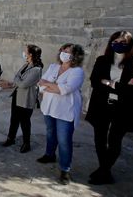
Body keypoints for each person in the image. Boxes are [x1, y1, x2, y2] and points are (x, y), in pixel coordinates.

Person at [86, 31, 133, 185]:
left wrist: (108, 82)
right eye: (115, 41)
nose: (118, 44)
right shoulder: (102, 60)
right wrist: (121, 86)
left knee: (114, 140)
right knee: (99, 139)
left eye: (122, 42)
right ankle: (105, 171)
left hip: (123, 108)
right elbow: (94, 81)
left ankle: (103, 171)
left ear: (130, 45)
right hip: (101, 105)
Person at [36, 43, 85, 185]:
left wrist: (50, 85)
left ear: (75, 55)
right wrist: (55, 87)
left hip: (65, 110)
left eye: (67, 51)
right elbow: (40, 84)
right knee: (50, 132)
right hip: (49, 107)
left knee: (64, 139)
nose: (63, 52)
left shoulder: (77, 72)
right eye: (62, 50)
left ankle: (65, 169)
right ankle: (49, 154)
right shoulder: (53, 67)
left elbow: (67, 89)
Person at [2, 44, 43, 154]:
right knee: (14, 119)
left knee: (24, 122)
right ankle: (11, 139)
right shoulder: (26, 64)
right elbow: (17, 76)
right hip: (17, 96)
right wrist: (17, 79)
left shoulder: (37, 69)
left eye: (26, 52)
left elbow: (23, 84)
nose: (24, 53)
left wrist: (17, 80)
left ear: (31, 54)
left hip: (25, 99)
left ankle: (26, 143)